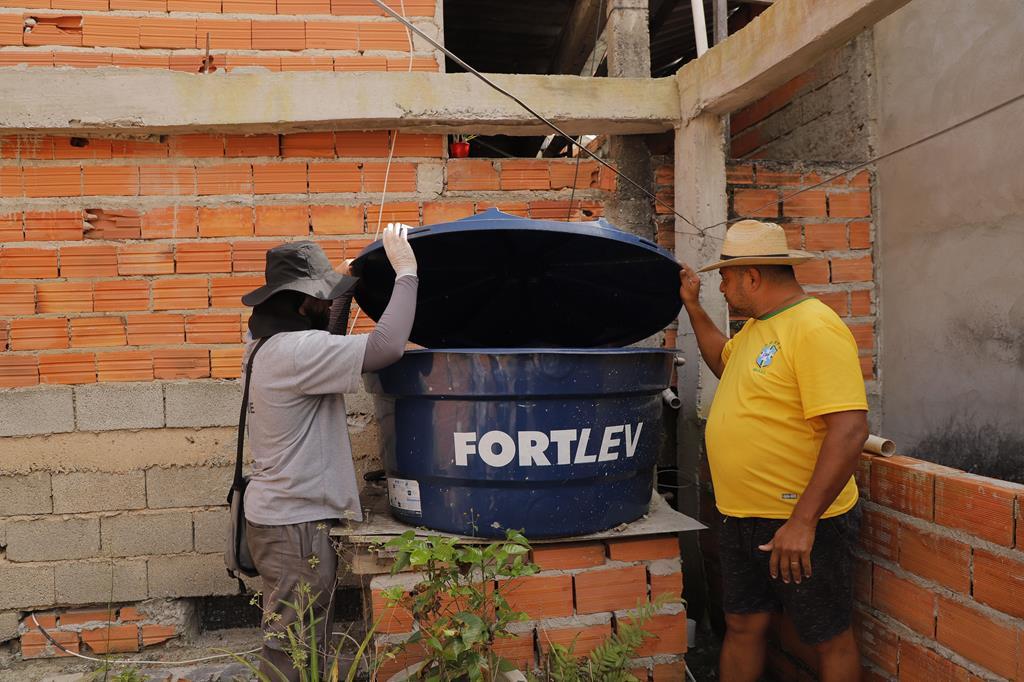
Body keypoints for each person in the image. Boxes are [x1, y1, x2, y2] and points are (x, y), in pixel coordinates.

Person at [679, 220, 869, 682]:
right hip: (742, 516)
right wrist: (692, 306)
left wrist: (802, 522)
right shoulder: (756, 330)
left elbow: (850, 429)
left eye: (724, 278)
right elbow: (723, 360)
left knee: (827, 637)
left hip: (802, 522)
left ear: (752, 277)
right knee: (743, 625)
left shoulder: (813, 326)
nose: (721, 287)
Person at [239, 225, 418, 681]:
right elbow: (387, 346)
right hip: (294, 527)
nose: (327, 301)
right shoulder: (299, 352)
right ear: (301, 303)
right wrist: (406, 273)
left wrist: (341, 281)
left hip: (279, 519)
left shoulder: (262, 346)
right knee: (292, 652)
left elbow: (326, 332)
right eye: (319, 295)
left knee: (303, 643)